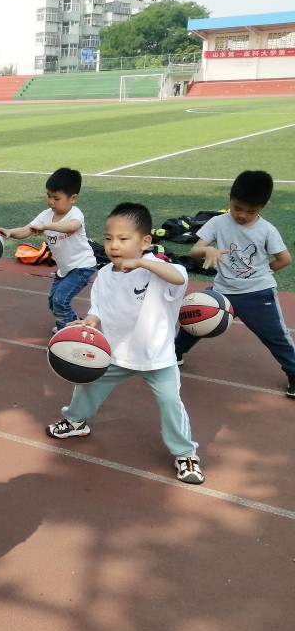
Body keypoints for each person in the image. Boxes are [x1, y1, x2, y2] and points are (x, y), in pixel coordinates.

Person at [45, 202, 203, 485]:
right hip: (115, 353)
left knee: (170, 402)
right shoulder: (105, 275)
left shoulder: (159, 270)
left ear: (145, 242)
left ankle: (185, 453)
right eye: (108, 238)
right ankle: (75, 421)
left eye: (123, 238)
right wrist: (90, 320)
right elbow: (98, 309)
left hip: (156, 357)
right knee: (87, 387)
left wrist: (142, 262)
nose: (114, 245)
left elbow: (180, 277)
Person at [174, 170, 295, 398]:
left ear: (264, 206)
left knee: (275, 336)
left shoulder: (267, 230)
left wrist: (262, 272)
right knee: (193, 320)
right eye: (237, 208)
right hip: (222, 291)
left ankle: (294, 372)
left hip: (257, 293)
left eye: (251, 211)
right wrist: (208, 250)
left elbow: (284, 259)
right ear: (230, 198)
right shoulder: (218, 222)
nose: (242, 215)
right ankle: (174, 353)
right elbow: (195, 250)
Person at [0, 168, 97, 334]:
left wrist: (46, 226)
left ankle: (70, 332)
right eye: (49, 196)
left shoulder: (75, 214)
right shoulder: (45, 215)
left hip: (82, 266)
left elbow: (71, 226)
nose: (51, 202)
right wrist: (9, 232)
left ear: (73, 198)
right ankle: (71, 323)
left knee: (60, 300)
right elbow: (26, 230)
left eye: (56, 198)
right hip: (65, 269)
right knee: (53, 301)